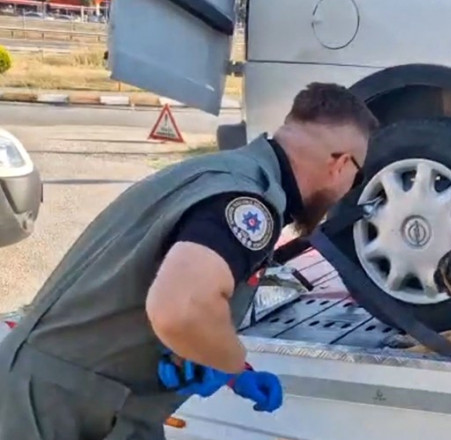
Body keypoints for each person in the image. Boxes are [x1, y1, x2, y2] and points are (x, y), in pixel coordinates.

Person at [0, 82, 379, 439]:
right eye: (357, 178)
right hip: (56, 409)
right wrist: (228, 359)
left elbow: (158, 291)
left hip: (74, 393)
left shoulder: (217, 173)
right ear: (341, 163)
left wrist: (231, 369)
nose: (349, 189)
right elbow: (181, 309)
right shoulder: (249, 203)